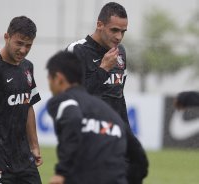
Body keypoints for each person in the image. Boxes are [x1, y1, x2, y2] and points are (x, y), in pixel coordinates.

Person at [66, 2, 148, 184]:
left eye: (123, 31)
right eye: (114, 30)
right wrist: (103, 69)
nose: (119, 37)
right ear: (99, 25)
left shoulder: (120, 53)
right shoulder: (77, 51)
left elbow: (118, 96)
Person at [0, 16, 43, 184]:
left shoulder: (27, 67)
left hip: (23, 156)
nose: (24, 50)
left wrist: (34, 145)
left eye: (28, 45)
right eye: (19, 43)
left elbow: (28, 106)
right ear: (7, 37)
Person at [46, 51, 128, 184]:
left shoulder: (63, 101)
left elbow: (73, 119)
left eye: (49, 79)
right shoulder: (113, 115)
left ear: (59, 78)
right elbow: (138, 158)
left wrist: (61, 172)